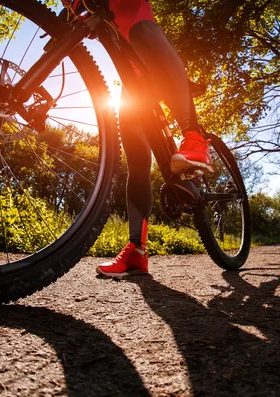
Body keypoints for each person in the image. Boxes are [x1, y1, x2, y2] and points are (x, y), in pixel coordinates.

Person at [64, 0, 211, 277]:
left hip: (154, 63)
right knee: (137, 165)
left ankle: (194, 136)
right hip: (132, 85)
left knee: (143, 30)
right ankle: (137, 251)